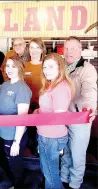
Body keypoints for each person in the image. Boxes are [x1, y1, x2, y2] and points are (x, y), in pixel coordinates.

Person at [61, 36, 97, 189]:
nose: (69, 52)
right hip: (63, 117)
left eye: (73, 48)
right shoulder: (61, 66)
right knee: (66, 152)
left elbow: (90, 89)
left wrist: (89, 106)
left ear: (80, 50)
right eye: (67, 48)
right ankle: (63, 179)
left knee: (77, 155)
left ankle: (74, 184)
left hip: (80, 118)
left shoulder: (87, 68)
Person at [35, 53, 75, 189]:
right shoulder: (51, 85)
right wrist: (38, 112)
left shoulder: (61, 87)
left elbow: (56, 118)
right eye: (45, 67)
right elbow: (47, 111)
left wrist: (37, 115)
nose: (46, 70)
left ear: (60, 68)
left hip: (52, 137)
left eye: (51, 67)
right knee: (48, 172)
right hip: (45, 135)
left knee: (51, 175)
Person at [0, 56, 31, 188]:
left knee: (15, 163)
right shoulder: (4, 85)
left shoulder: (22, 88)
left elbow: (22, 118)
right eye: (7, 66)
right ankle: (16, 180)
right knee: (0, 159)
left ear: (20, 68)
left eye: (13, 66)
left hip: (14, 135)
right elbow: (0, 110)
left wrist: (17, 142)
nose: (9, 69)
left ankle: (18, 185)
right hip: (2, 132)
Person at [24, 38, 46, 157]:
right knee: (28, 137)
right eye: (32, 47)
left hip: (42, 108)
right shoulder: (24, 66)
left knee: (40, 138)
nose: (35, 50)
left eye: (37, 47)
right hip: (26, 107)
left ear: (42, 49)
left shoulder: (46, 66)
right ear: (28, 50)